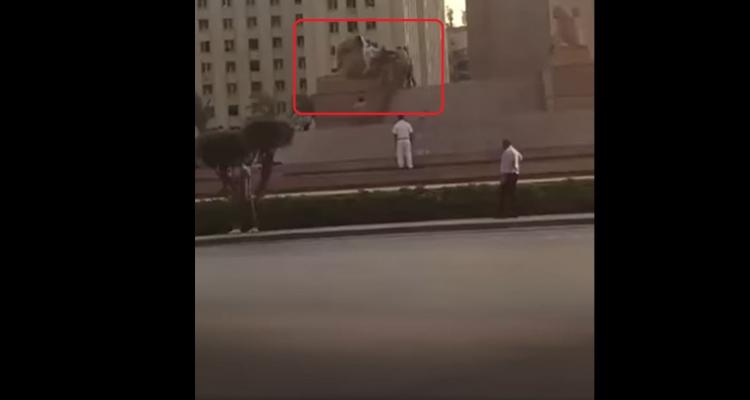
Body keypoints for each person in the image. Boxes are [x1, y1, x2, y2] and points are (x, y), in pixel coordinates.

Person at [498, 139, 523, 217]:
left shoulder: (506, 152)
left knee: (504, 194)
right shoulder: (515, 151)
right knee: (512, 194)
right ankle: (514, 212)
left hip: (508, 174)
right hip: (515, 174)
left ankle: (503, 212)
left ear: (505, 144)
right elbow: (521, 158)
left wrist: (503, 177)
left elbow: (504, 166)